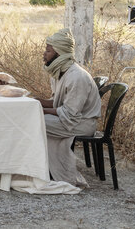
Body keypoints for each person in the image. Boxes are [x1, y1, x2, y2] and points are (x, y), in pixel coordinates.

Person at [40, 28, 101, 187]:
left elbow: (69, 113)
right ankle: (43, 168)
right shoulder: (60, 72)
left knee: (33, 122)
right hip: (70, 119)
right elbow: (56, 102)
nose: (44, 54)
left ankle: (46, 171)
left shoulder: (76, 77)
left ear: (59, 54)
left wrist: (39, 111)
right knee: (33, 118)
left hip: (81, 124)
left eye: (47, 51)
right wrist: (35, 101)